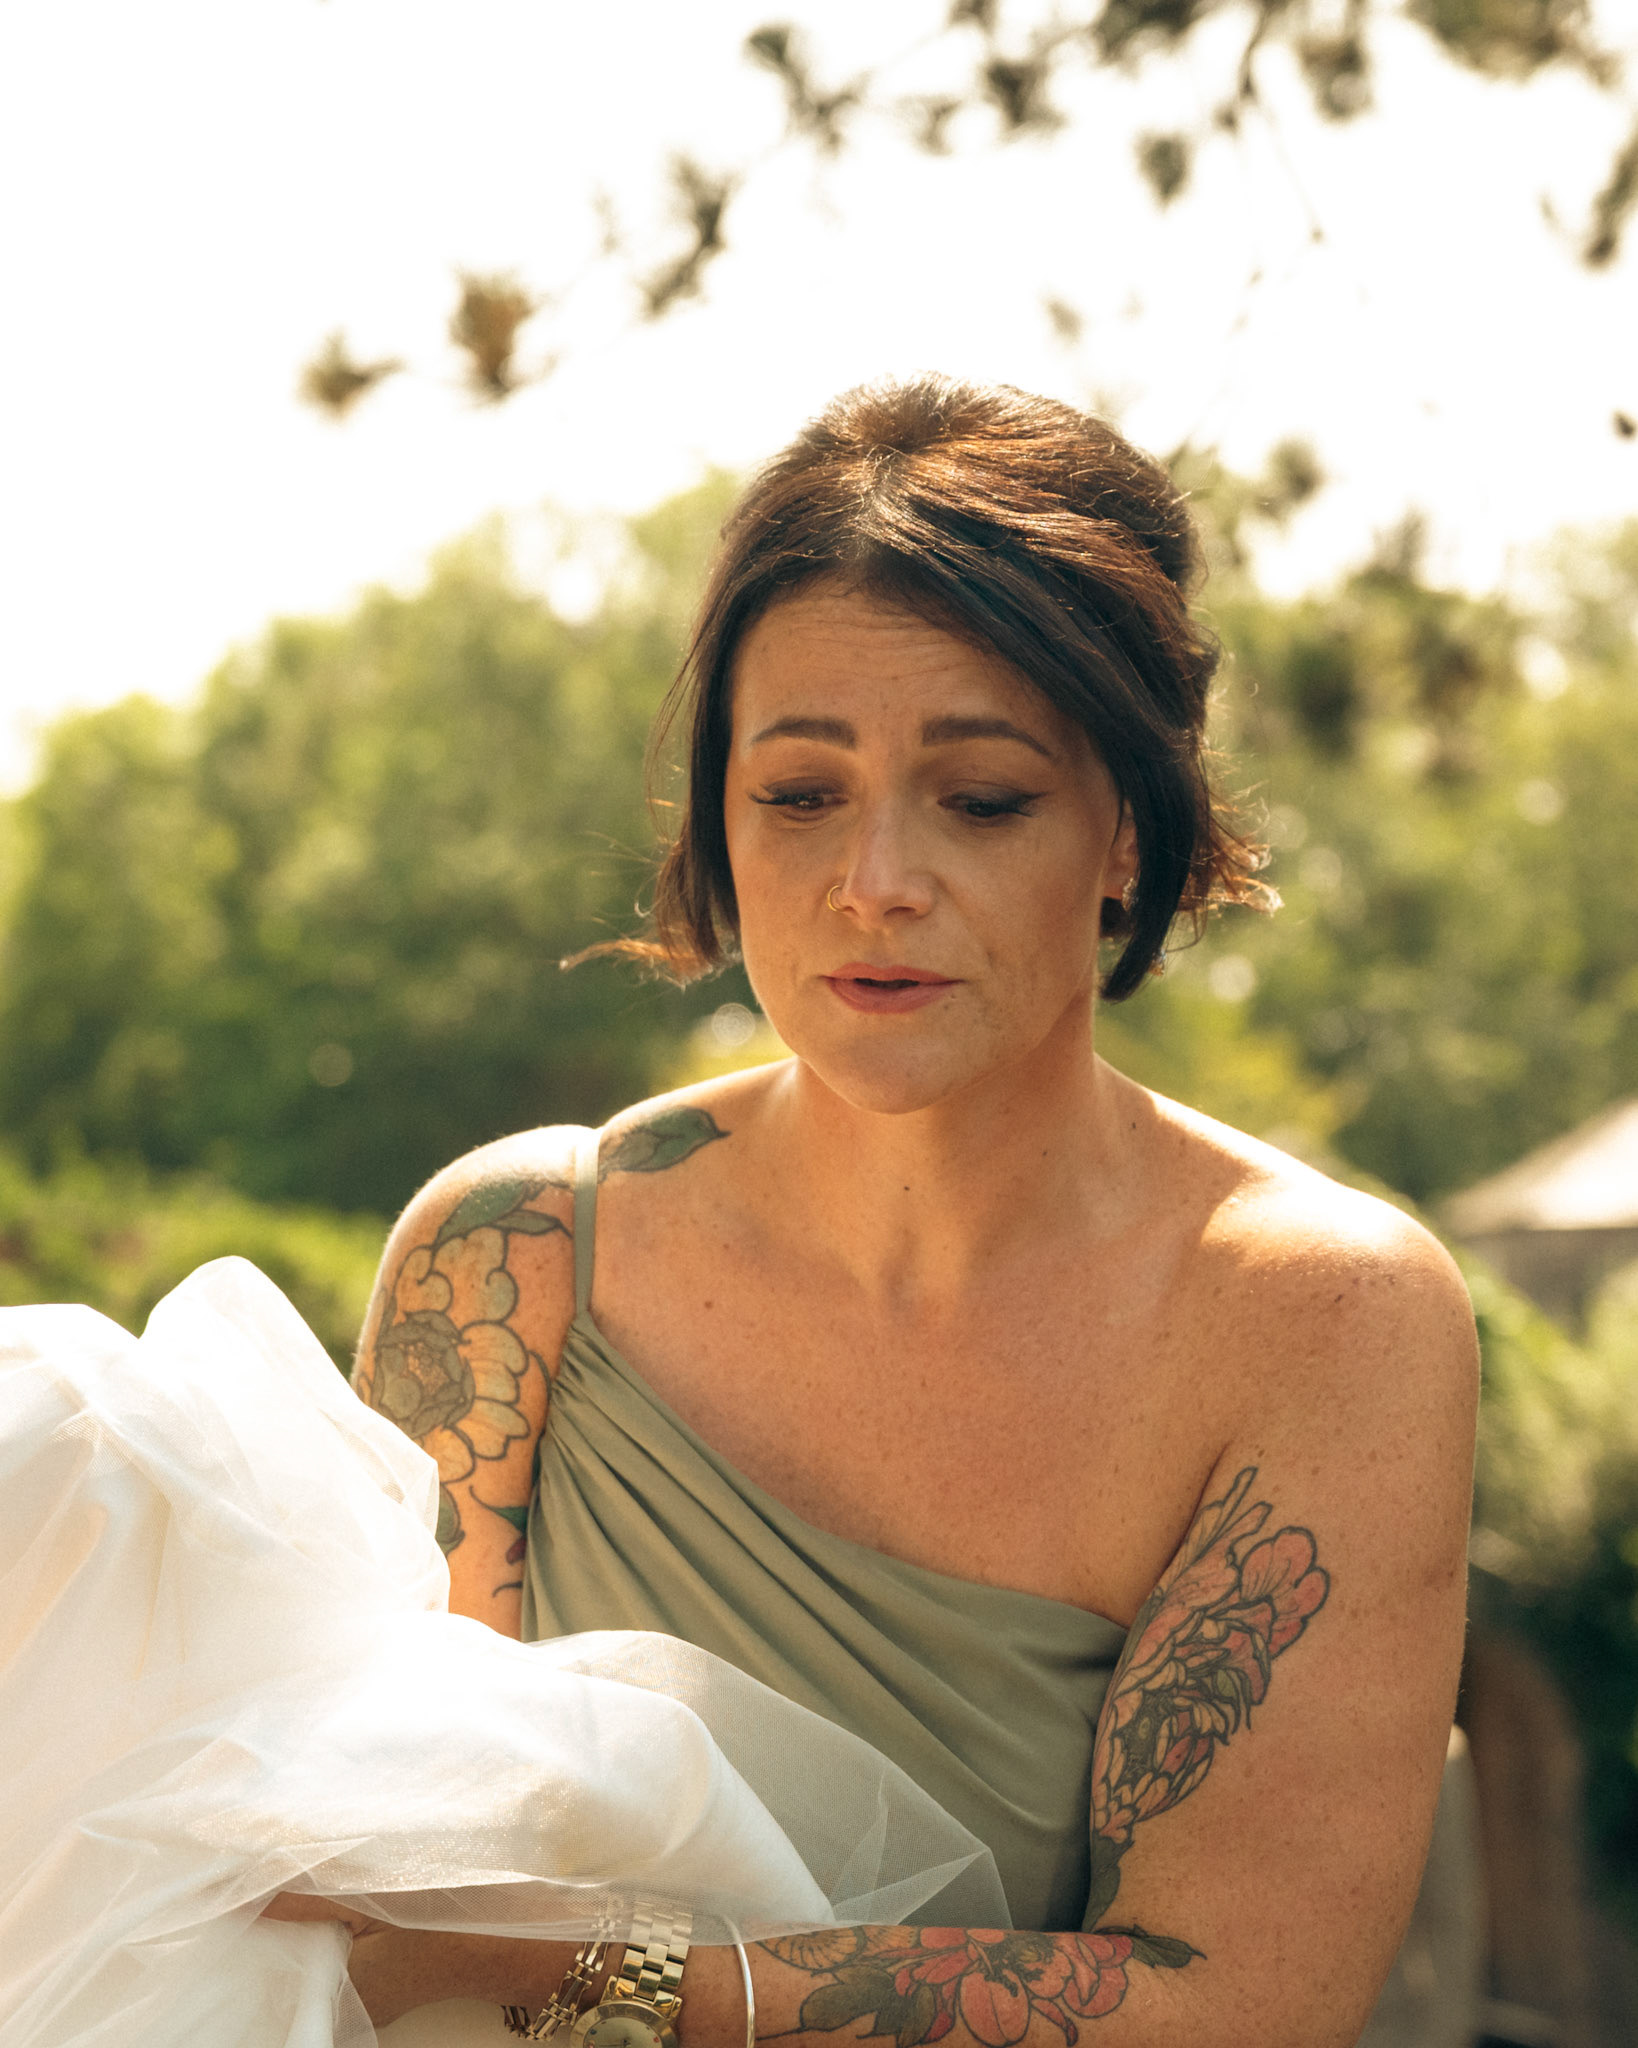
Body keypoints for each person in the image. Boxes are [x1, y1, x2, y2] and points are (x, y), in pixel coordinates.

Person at [341, 375, 1478, 2046]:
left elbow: (1235, 2000)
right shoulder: (511, 1262)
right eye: (798, 794)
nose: (874, 881)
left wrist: (582, 1981)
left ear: (1125, 827)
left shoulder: (1318, 1317)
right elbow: (374, 1865)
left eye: (983, 798)